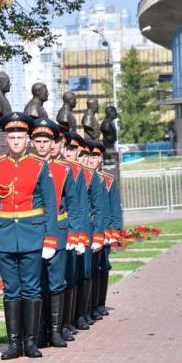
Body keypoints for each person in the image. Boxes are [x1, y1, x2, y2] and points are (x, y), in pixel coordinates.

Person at [0, 112, 57, 359]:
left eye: (20, 137)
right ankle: (14, 344)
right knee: (11, 290)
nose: (15, 141)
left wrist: (50, 238)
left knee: (32, 289)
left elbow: (50, 204)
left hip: (32, 235)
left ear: (28, 140)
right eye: (11, 137)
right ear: (6, 140)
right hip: (3, 236)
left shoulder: (39, 165)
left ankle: (31, 342)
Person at [29, 119, 81, 348]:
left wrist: (74, 235)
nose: (42, 146)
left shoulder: (63, 169)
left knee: (56, 282)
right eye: (38, 141)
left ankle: (56, 330)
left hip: (58, 231)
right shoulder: (27, 167)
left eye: (46, 141)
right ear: (32, 143)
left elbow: (73, 204)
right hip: (33, 231)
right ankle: (39, 331)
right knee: (36, 283)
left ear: (53, 143)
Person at [75, 137, 106, 329]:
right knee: (71, 276)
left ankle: (85, 311)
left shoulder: (91, 176)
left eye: (93, 155)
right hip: (69, 228)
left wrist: (103, 232)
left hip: (87, 227)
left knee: (89, 272)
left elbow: (101, 207)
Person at [59, 132, 88, 338]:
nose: (68, 151)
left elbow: (78, 206)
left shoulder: (76, 171)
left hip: (69, 230)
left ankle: (70, 320)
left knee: (72, 277)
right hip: (47, 231)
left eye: (70, 148)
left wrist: (77, 235)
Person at [93, 140, 123, 317]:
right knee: (90, 269)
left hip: (104, 230)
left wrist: (114, 231)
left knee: (103, 266)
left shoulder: (108, 180)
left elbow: (114, 208)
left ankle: (100, 303)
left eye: (96, 156)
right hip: (89, 230)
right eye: (89, 156)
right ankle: (91, 305)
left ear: (101, 158)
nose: (92, 159)